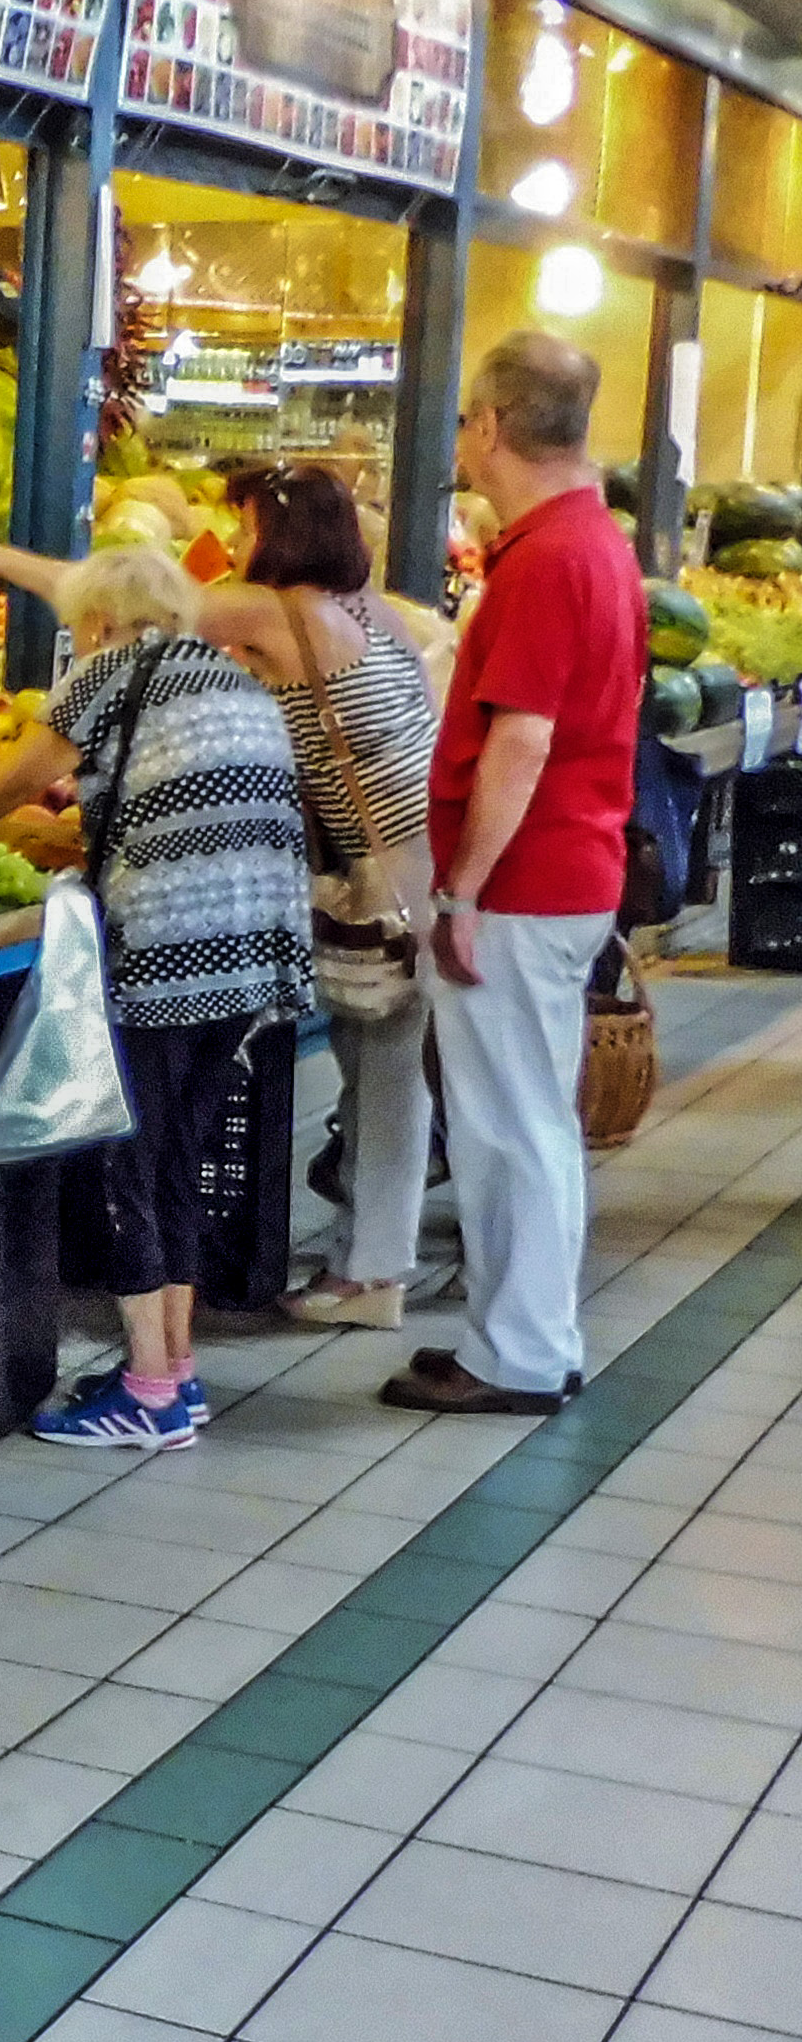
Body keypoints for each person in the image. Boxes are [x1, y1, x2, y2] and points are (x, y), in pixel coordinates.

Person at [0, 464, 440, 1327]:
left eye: (241, 530)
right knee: (386, 1073)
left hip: (376, 874)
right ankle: (369, 1259)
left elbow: (128, 602)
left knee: (377, 1073)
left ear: (278, 534)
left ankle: (369, 1272)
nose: (232, 548)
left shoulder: (269, 612)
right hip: (416, 858)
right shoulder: (373, 610)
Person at [0, 544, 315, 1449]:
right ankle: (172, 1374)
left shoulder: (107, 676)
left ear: (95, 626)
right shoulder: (232, 679)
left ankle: (149, 1393)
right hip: (257, 950)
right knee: (177, 1160)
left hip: (171, 947)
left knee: (128, 1160)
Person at [383, 331, 640, 1416]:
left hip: (524, 887)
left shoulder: (545, 561)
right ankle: (522, 1333)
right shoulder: (595, 541)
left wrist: (462, 891)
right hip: (563, 873)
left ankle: (520, 1354)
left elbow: (520, 742)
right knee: (528, 1116)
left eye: (466, 427)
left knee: (509, 1123)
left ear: (490, 425)